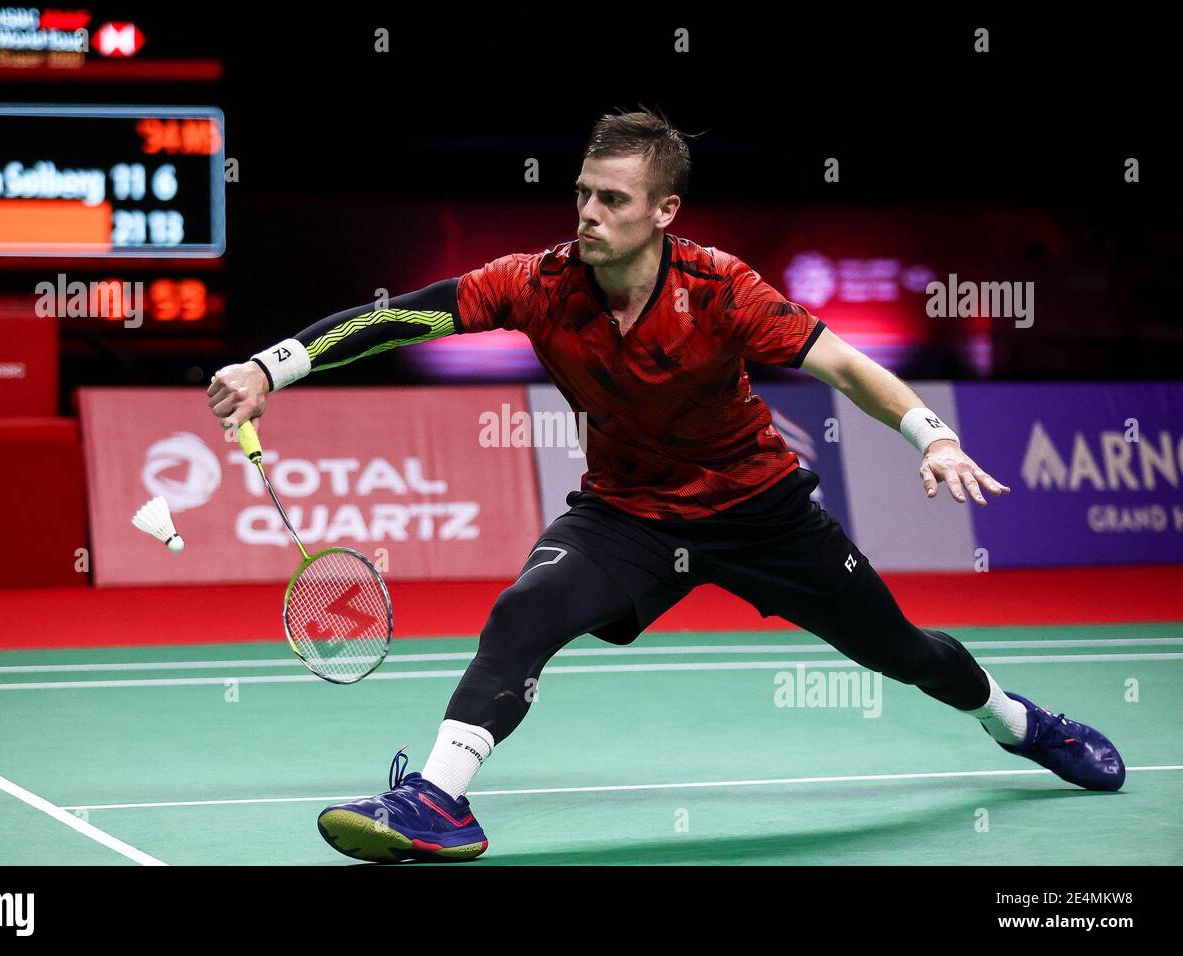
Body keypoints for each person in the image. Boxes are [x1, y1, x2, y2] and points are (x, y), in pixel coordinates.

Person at [207, 108, 1125, 864]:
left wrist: (929, 435)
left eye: (612, 200)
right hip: (627, 515)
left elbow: (842, 364)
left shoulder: (722, 289)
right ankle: (436, 801)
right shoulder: (536, 284)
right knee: (526, 611)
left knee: (901, 652)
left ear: (665, 211)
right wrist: (270, 366)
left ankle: (1016, 723)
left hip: (761, 514)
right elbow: (403, 315)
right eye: (582, 194)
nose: (588, 214)